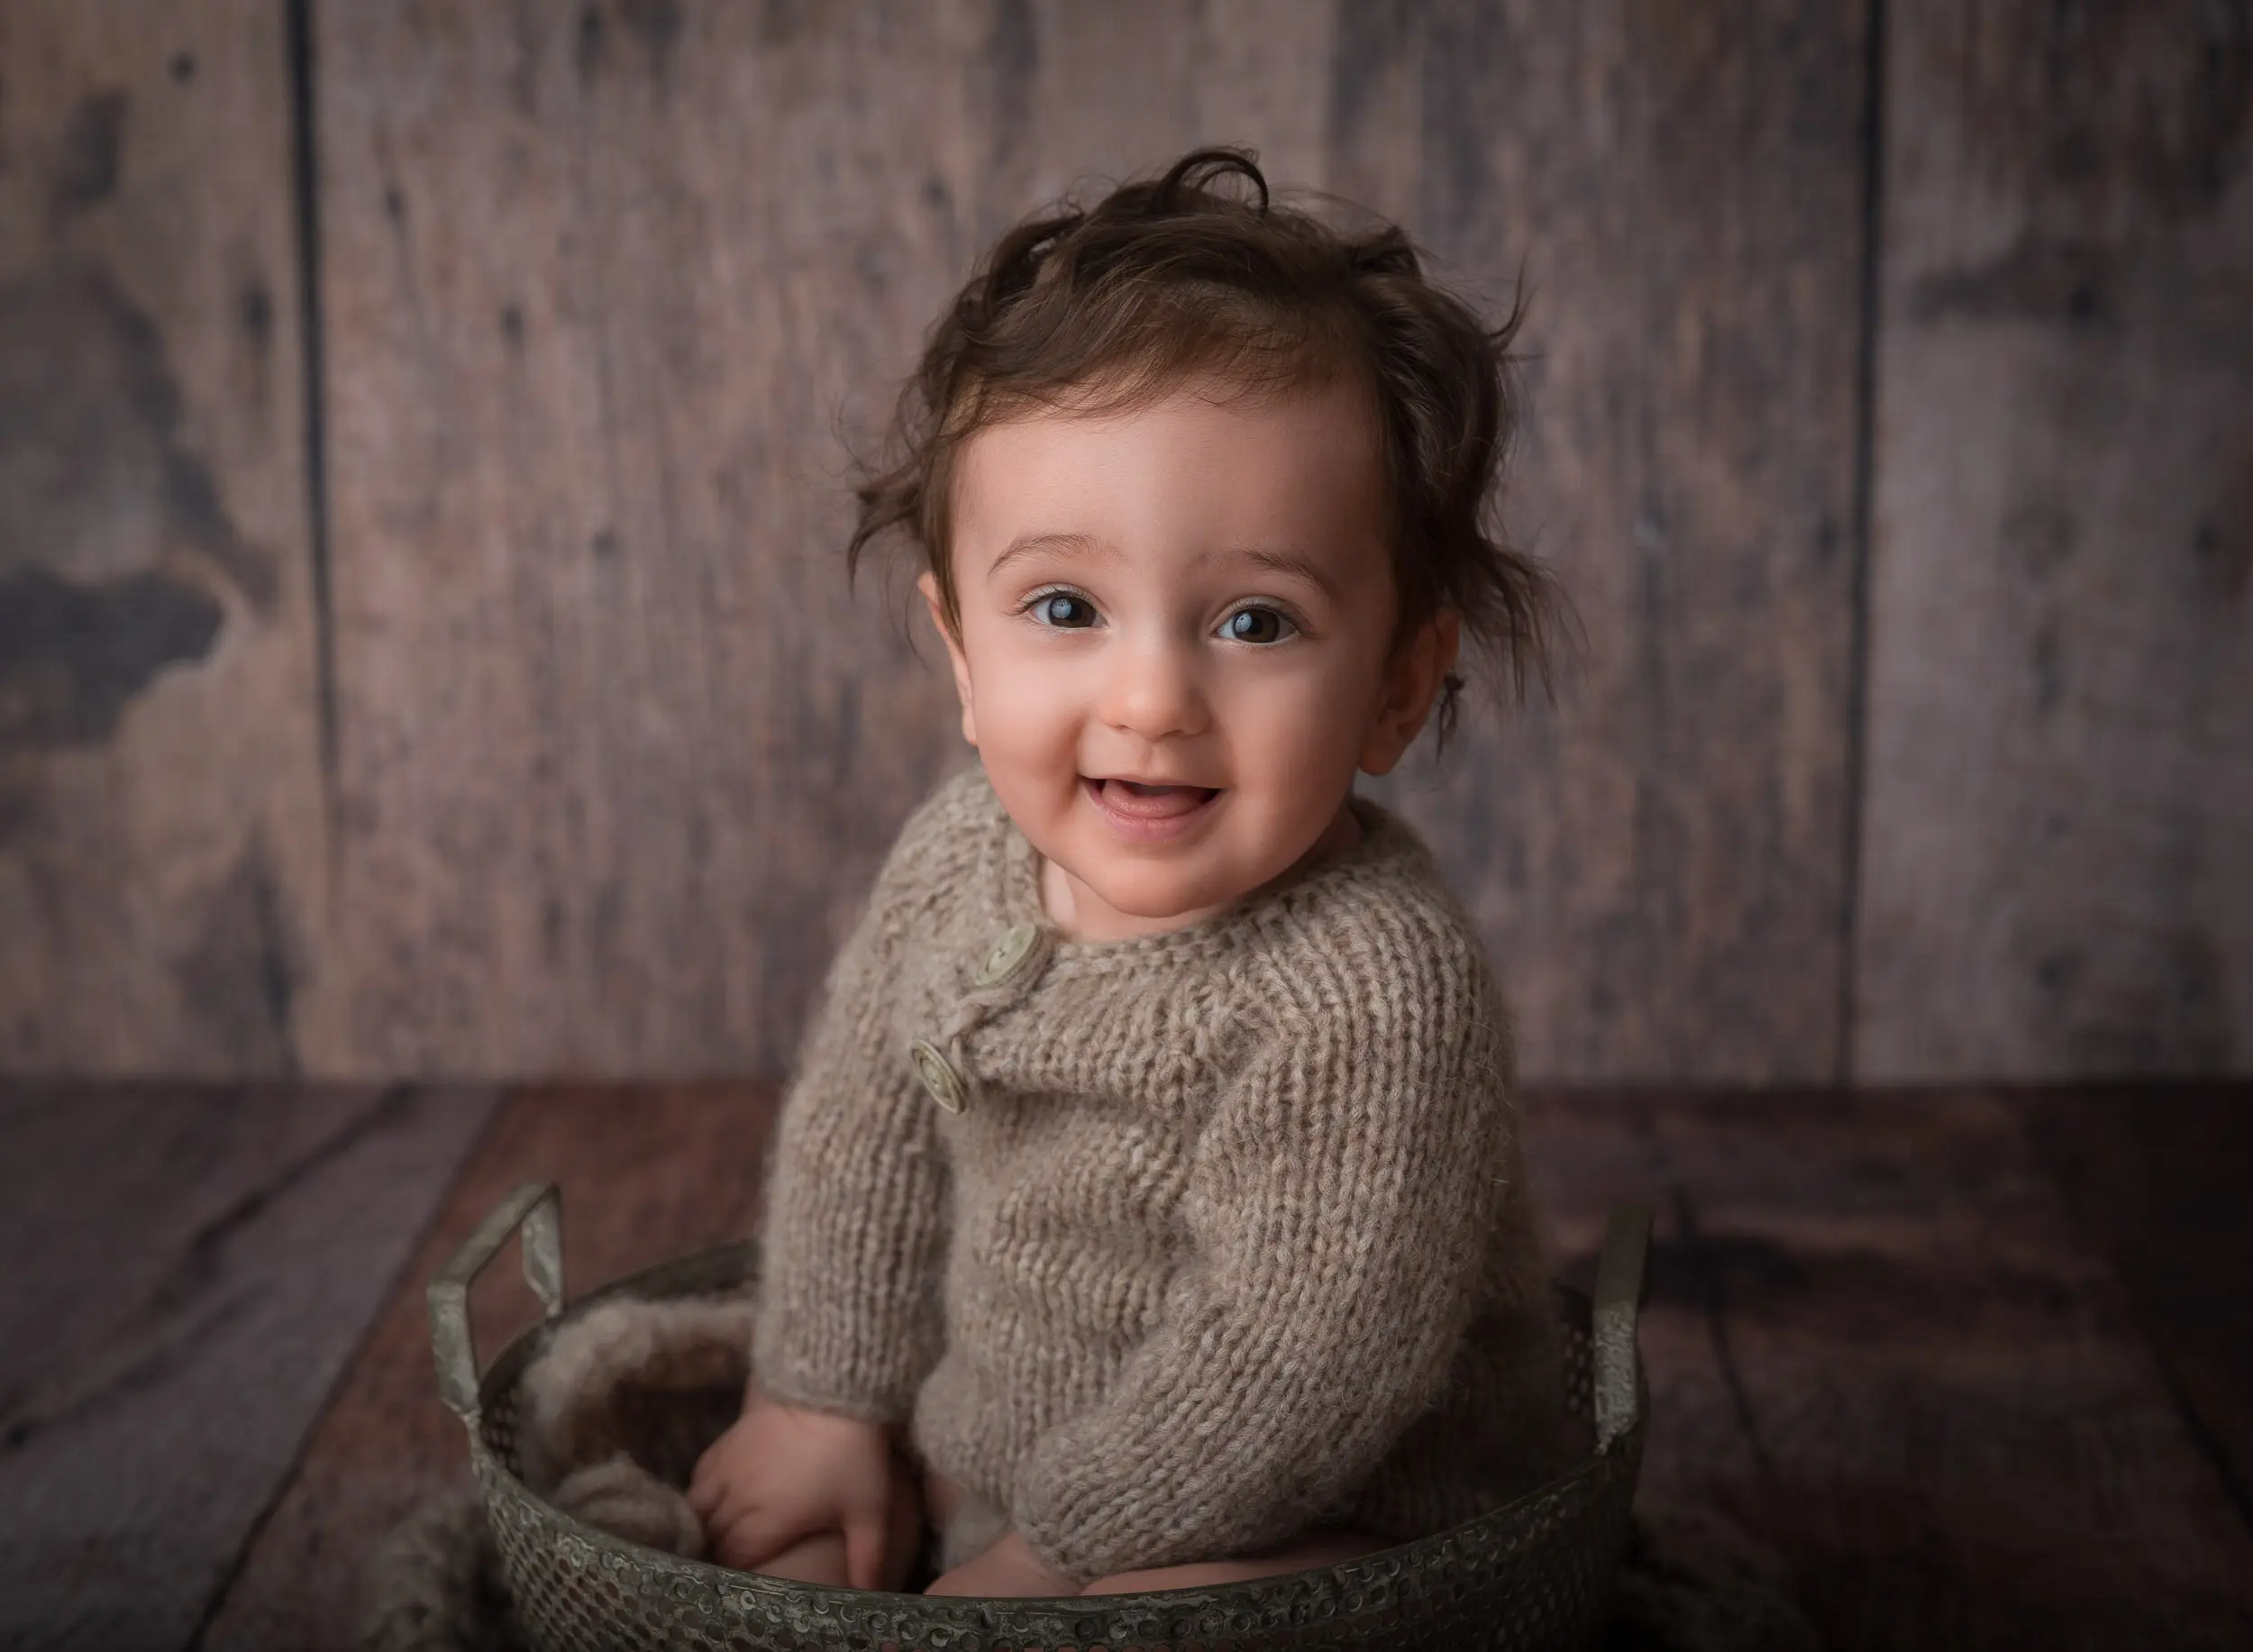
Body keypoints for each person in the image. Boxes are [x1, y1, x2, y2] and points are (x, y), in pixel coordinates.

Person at [686, 145, 1574, 1599]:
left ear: (1399, 689)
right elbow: (864, 1130)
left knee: (1215, 1608)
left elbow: (1292, 1370)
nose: (1154, 696)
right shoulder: (959, 859)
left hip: (1331, 1519)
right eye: (1063, 605)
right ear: (964, 655)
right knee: (779, 1529)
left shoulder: (1368, 988)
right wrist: (819, 1401)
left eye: (1257, 624)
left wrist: (1051, 1565)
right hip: (1010, 1484)